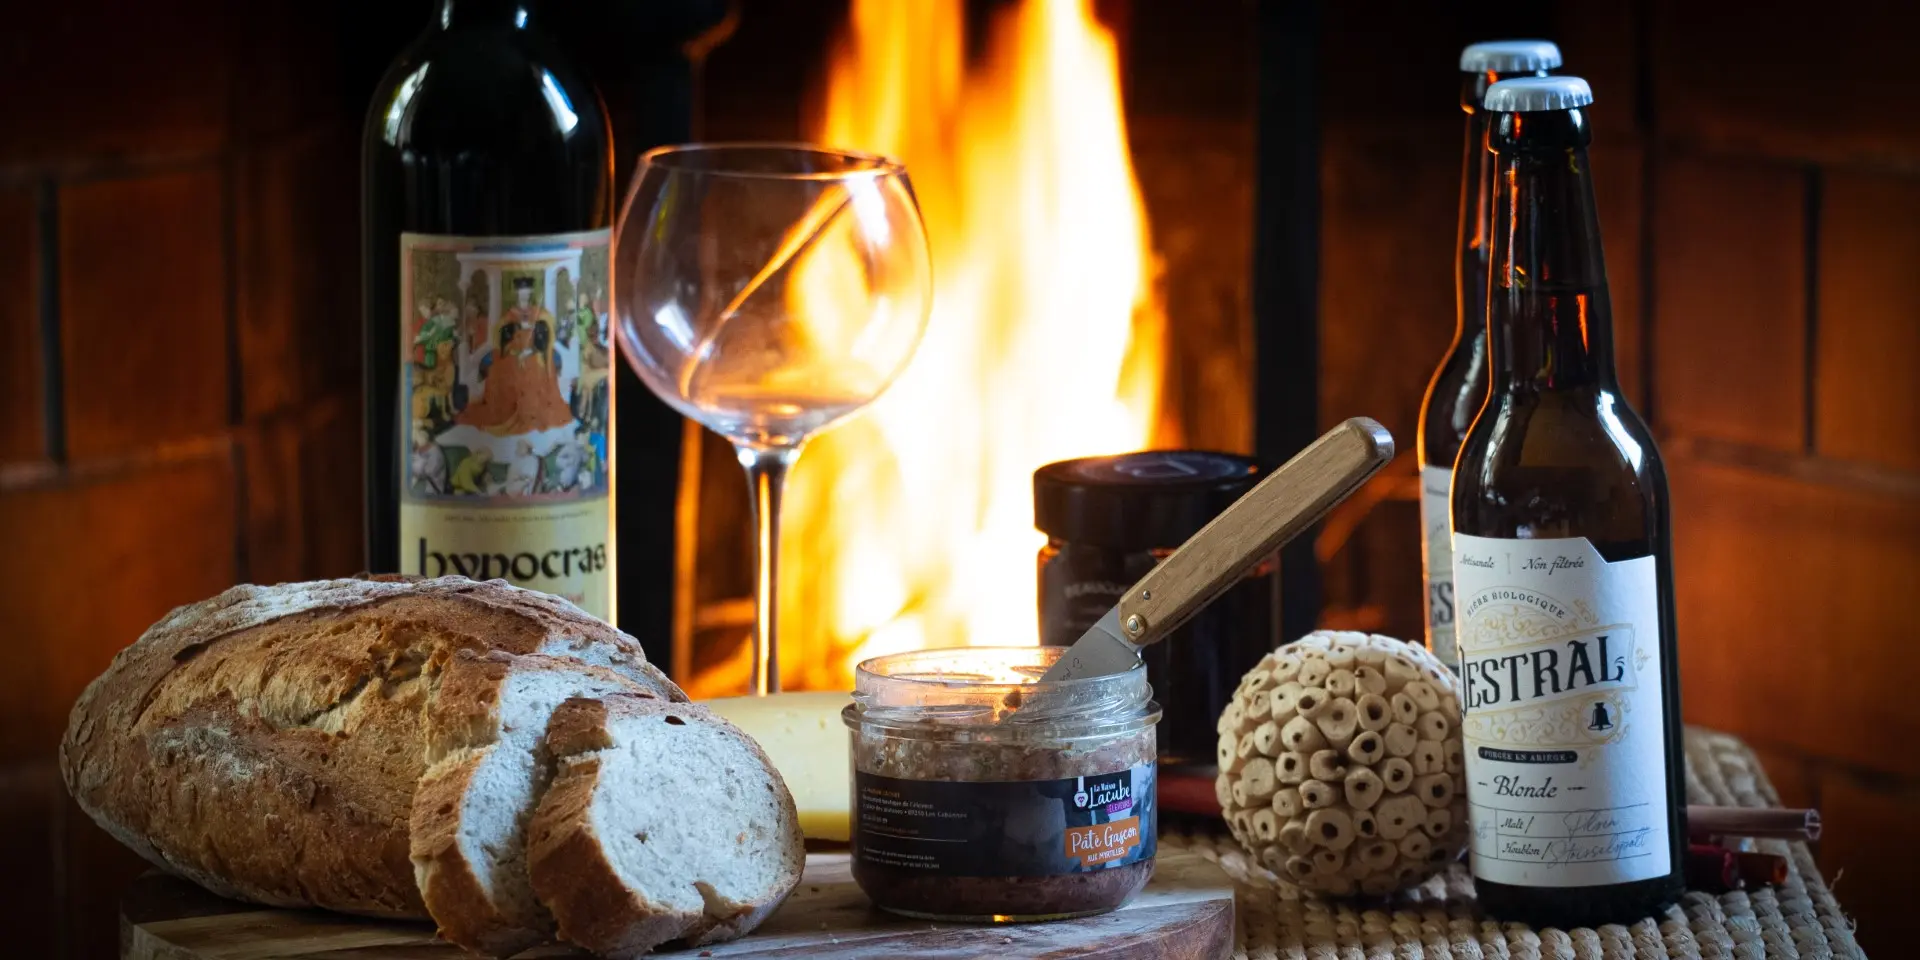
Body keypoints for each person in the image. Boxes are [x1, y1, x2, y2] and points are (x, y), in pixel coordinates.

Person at [455, 277, 576, 436]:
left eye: (526, 292)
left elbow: (545, 333)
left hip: (532, 352)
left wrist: (535, 334)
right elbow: (501, 334)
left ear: (531, 293)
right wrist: (514, 331)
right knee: (501, 372)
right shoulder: (511, 314)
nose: (524, 295)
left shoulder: (538, 312)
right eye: (521, 293)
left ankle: (532, 410)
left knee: (535, 371)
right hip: (514, 352)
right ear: (517, 294)